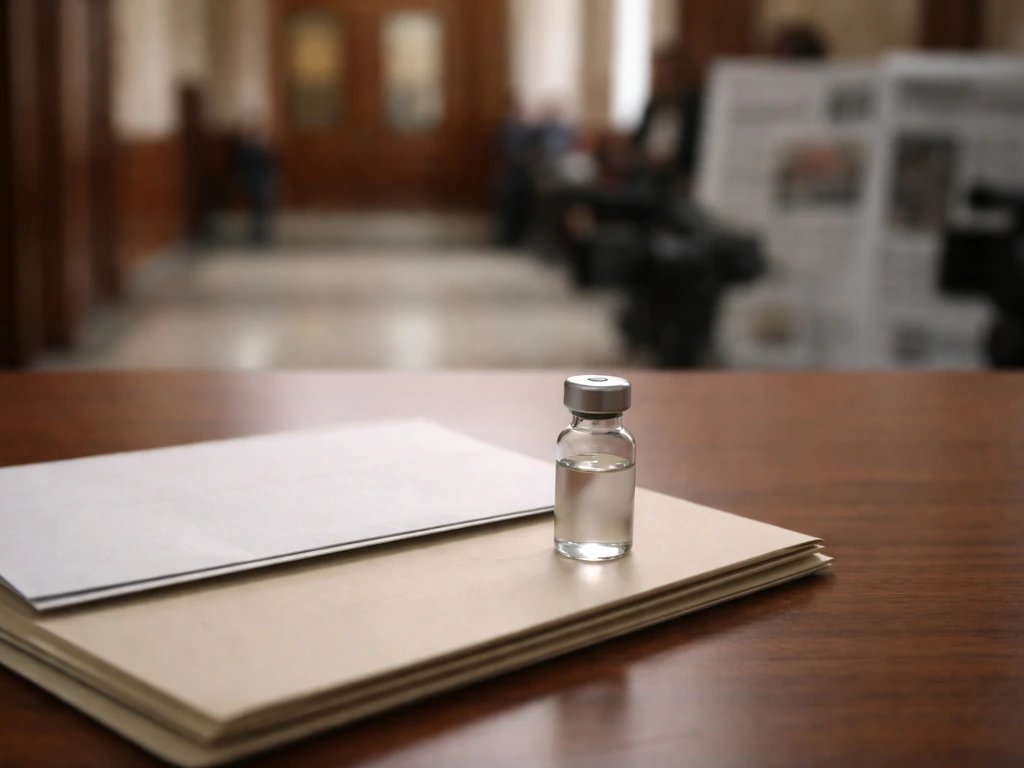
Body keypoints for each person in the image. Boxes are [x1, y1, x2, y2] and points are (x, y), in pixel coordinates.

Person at [234, 119, 279, 246]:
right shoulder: (251, 150)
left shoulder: (258, 149)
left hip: (259, 181)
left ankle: (260, 232)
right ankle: (259, 233)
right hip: (256, 181)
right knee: (259, 208)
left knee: (261, 208)